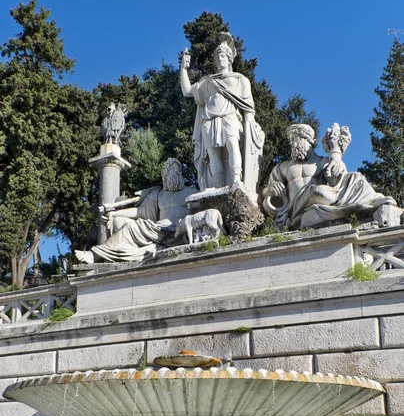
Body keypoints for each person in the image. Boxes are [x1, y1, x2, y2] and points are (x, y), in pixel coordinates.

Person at [262, 123, 396, 229]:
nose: (294, 143)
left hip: (320, 197)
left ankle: (372, 200)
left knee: (355, 177)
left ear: (310, 142)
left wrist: (335, 163)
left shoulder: (322, 162)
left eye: (299, 139)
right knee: (316, 190)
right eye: (292, 140)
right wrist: (271, 188)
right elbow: (266, 194)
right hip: (295, 207)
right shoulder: (283, 167)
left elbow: (337, 180)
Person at [181, 33, 264, 194]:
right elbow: (187, 90)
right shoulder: (208, 81)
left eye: (223, 56)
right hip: (209, 119)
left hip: (230, 117)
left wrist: (250, 126)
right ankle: (218, 186)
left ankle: (235, 179)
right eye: (217, 56)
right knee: (213, 154)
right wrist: (184, 68)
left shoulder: (240, 80)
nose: (220, 59)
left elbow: (248, 107)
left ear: (229, 58)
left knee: (233, 146)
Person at [75, 158, 198, 263]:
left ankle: (95, 255)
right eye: (172, 169)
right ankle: (96, 255)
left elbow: (203, 211)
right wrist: (114, 213)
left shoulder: (191, 192)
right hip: (156, 231)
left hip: (179, 231)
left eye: (178, 170)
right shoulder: (158, 194)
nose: (175, 172)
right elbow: (139, 212)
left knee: (133, 227)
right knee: (128, 225)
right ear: (164, 174)